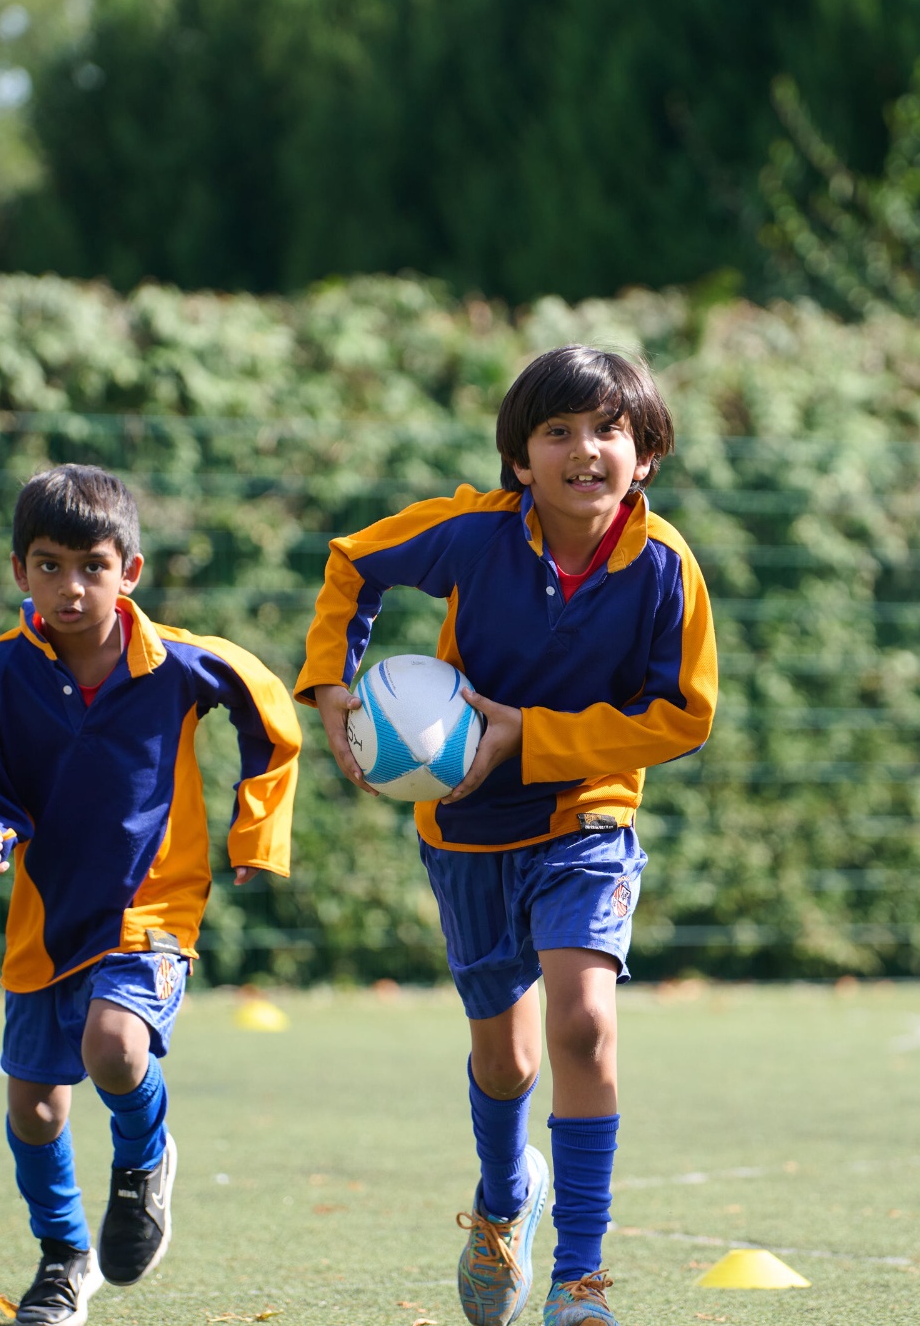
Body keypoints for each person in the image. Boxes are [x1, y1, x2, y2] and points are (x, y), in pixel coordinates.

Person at [297, 345, 718, 1326]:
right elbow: (352, 562)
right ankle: (501, 1197)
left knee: (583, 1022)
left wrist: (531, 736)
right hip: (466, 830)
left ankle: (579, 1279)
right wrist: (329, 682)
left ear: (645, 451)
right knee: (509, 1062)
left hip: (588, 817)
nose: (584, 450)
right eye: (556, 432)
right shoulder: (471, 536)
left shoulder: (664, 568)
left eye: (608, 429)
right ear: (518, 460)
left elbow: (683, 716)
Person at [0, 464, 302, 1326]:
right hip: (47, 913)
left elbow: (274, 721)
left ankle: (143, 1159)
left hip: (154, 905)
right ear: (22, 571)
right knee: (33, 1107)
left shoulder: (181, 662)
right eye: (50, 565)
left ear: (129, 570)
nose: (72, 586)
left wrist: (256, 832)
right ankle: (65, 1256)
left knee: (115, 1043)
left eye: (92, 566)